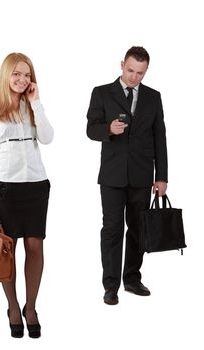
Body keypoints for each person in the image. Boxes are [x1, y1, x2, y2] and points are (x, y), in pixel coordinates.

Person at [0, 52, 54, 337]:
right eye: (17, 74)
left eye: (27, 75)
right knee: (6, 251)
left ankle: (31, 307)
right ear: (6, 75)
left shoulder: (33, 106)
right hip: (5, 189)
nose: (22, 80)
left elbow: (47, 137)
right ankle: (12, 305)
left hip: (36, 186)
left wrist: (36, 103)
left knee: (35, 246)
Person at [86, 46, 168, 305]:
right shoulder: (101, 93)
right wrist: (108, 129)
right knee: (111, 230)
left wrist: (162, 176)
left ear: (146, 71)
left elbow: (160, 138)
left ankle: (131, 278)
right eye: (130, 70)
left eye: (140, 73)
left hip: (142, 175)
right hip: (111, 175)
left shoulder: (153, 97)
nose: (134, 77)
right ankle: (110, 286)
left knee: (137, 229)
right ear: (122, 64)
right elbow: (90, 129)